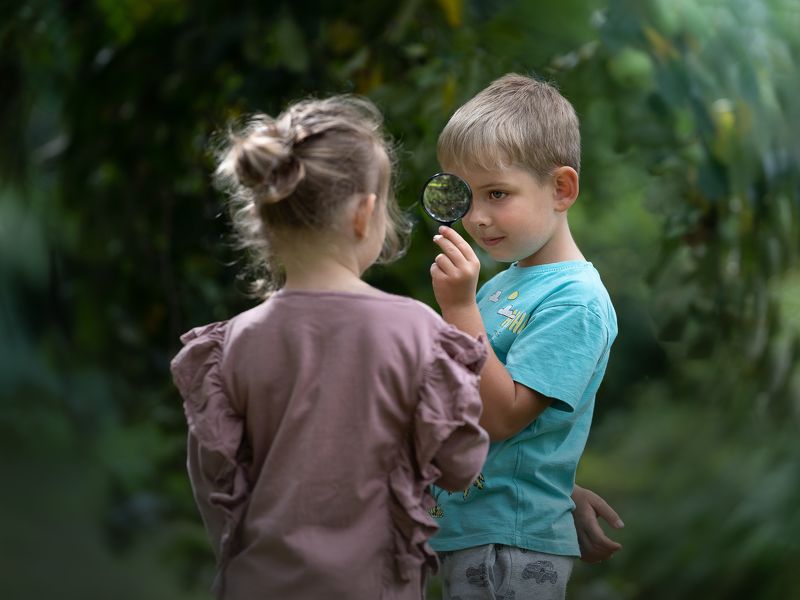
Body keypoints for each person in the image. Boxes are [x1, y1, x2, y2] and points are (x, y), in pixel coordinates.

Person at [170, 95, 491, 599]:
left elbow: (213, 485)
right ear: (365, 215)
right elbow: (460, 464)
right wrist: (467, 348)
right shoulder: (416, 333)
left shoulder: (231, 346)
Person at [426, 73, 621, 599]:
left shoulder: (575, 300)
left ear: (562, 189)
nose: (478, 218)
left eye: (497, 193)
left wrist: (459, 308)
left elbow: (504, 416)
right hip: (477, 531)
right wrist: (559, 488)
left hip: (507, 548)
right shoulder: (506, 284)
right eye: (466, 197)